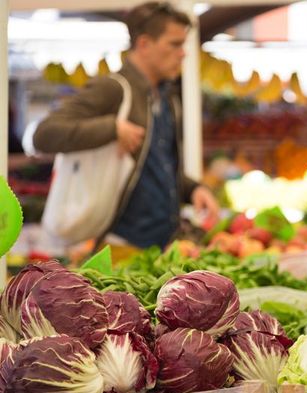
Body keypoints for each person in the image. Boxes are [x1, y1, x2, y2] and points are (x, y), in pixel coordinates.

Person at [33, 1, 219, 250]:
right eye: (175, 44)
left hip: (163, 247)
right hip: (119, 247)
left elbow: (157, 166)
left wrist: (193, 189)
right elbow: (44, 134)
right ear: (144, 44)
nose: (183, 53)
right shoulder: (113, 89)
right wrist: (112, 128)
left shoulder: (167, 99)